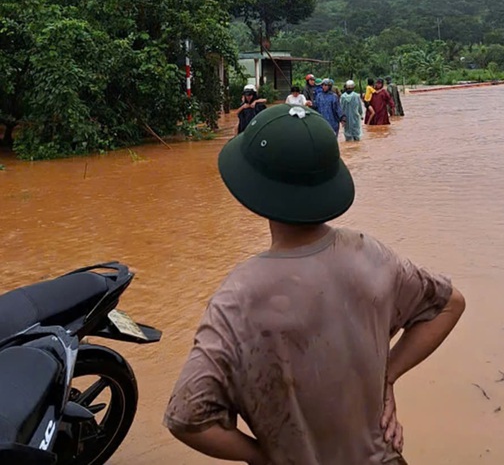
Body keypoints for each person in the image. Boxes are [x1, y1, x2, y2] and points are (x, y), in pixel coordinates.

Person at [163, 103, 465, 465]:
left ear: (254, 190)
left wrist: (263, 456)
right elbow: (450, 304)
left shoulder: (238, 299)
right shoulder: (371, 255)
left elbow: (186, 418)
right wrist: (389, 375)